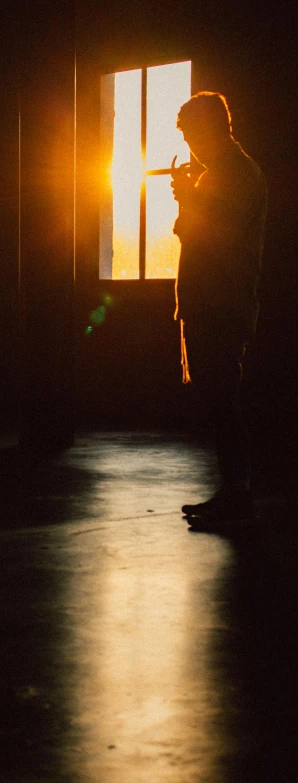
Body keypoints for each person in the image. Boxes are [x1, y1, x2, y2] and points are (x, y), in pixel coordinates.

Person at [171, 91, 267, 523]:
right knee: (219, 401)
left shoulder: (236, 175)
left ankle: (238, 494)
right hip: (213, 303)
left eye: (192, 132)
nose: (190, 142)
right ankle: (234, 491)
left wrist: (189, 200)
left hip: (220, 305)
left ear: (210, 128)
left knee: (223, 401)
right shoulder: (223, 174)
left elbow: (213, 238)